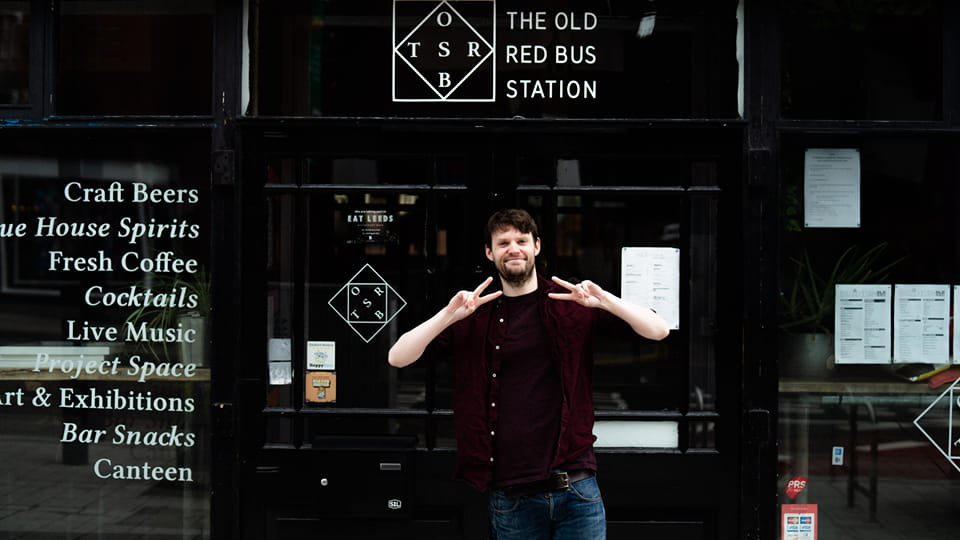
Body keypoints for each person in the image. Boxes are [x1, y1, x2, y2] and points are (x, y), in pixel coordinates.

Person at [388, 208, 670, 539]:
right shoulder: (473, 316)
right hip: (512, 498)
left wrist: (604, 300)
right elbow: (398, 357)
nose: (514, 248)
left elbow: (658, 330)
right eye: (503, 242)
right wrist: (448, 316)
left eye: (521, 240)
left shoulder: (571, 304)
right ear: (490, 253)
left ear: (536, 246)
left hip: (576, 490)